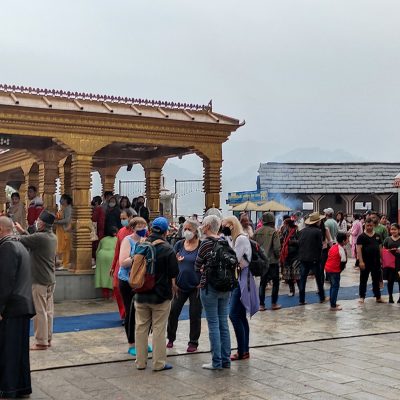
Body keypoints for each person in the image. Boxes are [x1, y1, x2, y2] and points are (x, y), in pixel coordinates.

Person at [135, 217, 179, 371]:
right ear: (166, 231)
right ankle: (158, 363)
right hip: (160, 295)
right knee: (159, 329)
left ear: (151, 229)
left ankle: (140, 362)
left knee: (141, 328)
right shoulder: (167, 249)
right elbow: (174, 272)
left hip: (140, 294)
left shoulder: (141, 245)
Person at [0, 216, 35, 399]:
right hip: (22, 304)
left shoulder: (7, 247)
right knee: (19, 351)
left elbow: (5, 281)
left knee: (9, 351)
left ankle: (9, 389)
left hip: (12, 307)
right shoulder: (19, 244)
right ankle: (22, 388)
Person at [15, 210, 57, 350]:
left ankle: (41, 341)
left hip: (39, 280)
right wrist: (23, 231)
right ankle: (48, 338)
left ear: (43, 224)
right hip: (50, 279)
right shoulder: (52, 237)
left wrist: (19, 232)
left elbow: (22, 240)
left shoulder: (40, 237)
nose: (36, 222)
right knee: (48, 311)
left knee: (40, 311)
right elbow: (32, 240)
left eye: (38, 220)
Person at [195, 215, 231, 370]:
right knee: (223, 323)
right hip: (226, 287)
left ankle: (216, 361)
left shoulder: (206, 243)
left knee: (214, 324)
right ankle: (226, 360)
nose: (202, 227)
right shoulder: (226, 241)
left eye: (203, 224)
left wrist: (203, 268)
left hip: (210, 287)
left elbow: (197, 266)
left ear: (208, 226)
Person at [222, 216, 258, 361]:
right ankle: (244, 350)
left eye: (225, 225)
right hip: (239, 276)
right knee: (240, 315)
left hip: (243, 277)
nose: (223, 227)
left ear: (232, 225)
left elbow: (233, 258)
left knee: (234, 315)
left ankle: (242, 350)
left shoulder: (241, 239)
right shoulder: (234, 238)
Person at [167, 219, 202, 352]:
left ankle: (193, 342)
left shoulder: (201, 245)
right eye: (185, 229)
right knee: (173, 311)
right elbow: (171, 264)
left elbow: (207, 265)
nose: (186, 231)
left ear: (196, 232)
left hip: (196, 287)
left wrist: (202, 281)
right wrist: (173, 283)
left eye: (189, 229)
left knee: (195, 314)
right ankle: (170, 338)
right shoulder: (179, 244)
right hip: (179, 286)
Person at [118, 217, 148, 356]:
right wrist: (138, 253)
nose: (143, 229)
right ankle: (132, 343)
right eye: (139, 226)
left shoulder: (147, 240)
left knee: (144, 312)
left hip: (142, 280)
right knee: (131, 312)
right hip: (127, 280)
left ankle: (143, 340)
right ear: (133, 228)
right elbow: (123, 262)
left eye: (144, 226)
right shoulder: (127, 240)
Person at [110, 209, 135, 322]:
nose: (122, 221)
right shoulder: (121, 231)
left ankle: (130, 314)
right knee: (116, 287)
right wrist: (113, 265)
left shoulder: (138, 231)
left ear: (130, 217)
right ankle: (124, 313)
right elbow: (117, 250)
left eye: (124, 218)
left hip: (133, 264)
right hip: (120, 264)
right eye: (121, 219)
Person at [254, 212, 281, 311]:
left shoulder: (256, 232)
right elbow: (277, 248)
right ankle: (274, 303)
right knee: (275, 283)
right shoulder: (274, 232)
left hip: (262, 262)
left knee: (262, 283)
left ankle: (261, 305)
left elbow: (253, 246)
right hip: (273, 261)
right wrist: (278, 257)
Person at [298, 212, 326, 305]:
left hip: (303, 259)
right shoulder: (318, 231)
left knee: (303, 280)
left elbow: (300, 244)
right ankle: (322, 298)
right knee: (319, 279)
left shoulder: (302, 231)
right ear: (317, 222)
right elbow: (320, 246)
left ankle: (301, 300)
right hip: (314, 259)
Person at [357, 217, 385, 304]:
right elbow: (359, 250)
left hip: (376, 261)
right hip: (365, 262)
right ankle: (362, 297)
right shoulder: (361, 237)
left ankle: (378, 297)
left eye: (370, 225)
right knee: (363, 279)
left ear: (373, 225)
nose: (369, 227)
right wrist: (361, 261)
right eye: (367, 225)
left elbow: (380, 249)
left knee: (376, 279)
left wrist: (382, 259)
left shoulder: (377, 236)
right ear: (365, 225)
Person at [325, 232, 348, 311]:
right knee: (335, 287)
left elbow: (329, 255)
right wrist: (339, 270)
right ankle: (333, 305)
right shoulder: (341, 249)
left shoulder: (333, 246)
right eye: (347, 239)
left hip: (328, 269)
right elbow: (343, 260)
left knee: (332, 286)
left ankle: (332, 301)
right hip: (334, 270)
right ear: (344, 241)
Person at [95, 226, 118, 299]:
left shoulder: (103, 239)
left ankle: (105, 295)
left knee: (102, 275)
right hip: (112, 256)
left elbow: (97, 251)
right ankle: (114, 296)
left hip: (101, 256)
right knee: (113, 275)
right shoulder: (117, 239)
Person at [280, 218, 300, 296]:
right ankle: (291, 290)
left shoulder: (296, 231)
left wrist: (291, 242)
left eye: (285, 224)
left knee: (296, 275)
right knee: (288, 276)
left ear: (287, 224)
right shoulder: (285, 232)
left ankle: (301, 290)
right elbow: (282, 240)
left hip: (295, 255)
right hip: (286, 255)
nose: (284, 225)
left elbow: (300, 241)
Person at [382, 223, 400, 303]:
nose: (393, 231)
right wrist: (388, 251)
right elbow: (383, 250)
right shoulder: (387, 239)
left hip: (399, 263)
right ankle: (390, 296)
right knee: (390, 280)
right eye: (392, 229)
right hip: (390, 263)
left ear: (398, 230)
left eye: (395, 229)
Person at [54, 194, 73, 269]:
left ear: (65, 200)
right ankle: (63, 262)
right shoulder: (63, 208)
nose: (60, 200)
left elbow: (67, 220)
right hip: (60, 230)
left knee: (66, 247)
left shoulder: (68, 208)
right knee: (62, 247)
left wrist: (56, 222)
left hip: (65, 230)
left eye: (61, 199)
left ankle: (66, 264)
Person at [91, 196, 105, 260]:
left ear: (96, 202)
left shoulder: (97, 209)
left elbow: (94, 219)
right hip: (99, 229)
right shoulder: (101, 209)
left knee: (96, 246)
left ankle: (96, 259)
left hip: (97, 230)